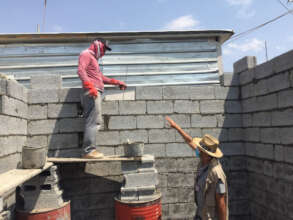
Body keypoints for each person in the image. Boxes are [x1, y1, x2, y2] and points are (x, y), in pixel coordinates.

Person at [166, 116, 228, 220]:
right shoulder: (203, 159)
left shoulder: (217, 174)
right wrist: (176, 127)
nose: (198, 150)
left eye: (200, 150)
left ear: (208, 155)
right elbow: (190, 141)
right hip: (201, 214)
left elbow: (221, 204)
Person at [77, 39, 127, 159]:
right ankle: (88, 151)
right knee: (92, 120)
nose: (104, 53)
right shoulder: (86, 54)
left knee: (95, 120)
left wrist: (116, 82)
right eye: (104, 49)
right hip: (92, 91)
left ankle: (89, 150)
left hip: (95, 91)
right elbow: (80, 70)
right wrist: (90, 87)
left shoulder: (94, 59)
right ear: (98, 45)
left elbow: (100, 77)